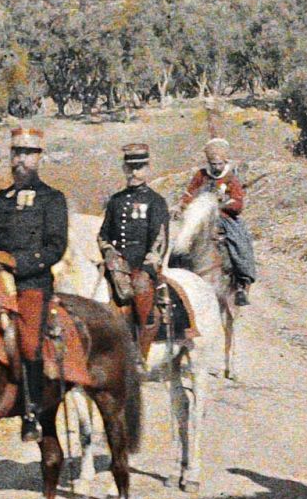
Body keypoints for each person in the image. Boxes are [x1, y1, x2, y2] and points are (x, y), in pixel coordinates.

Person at [0, 126, 72, 442]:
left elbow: (55, 248)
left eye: (28, 154)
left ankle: (31, 412)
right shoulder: (0, 199)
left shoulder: (52, 199)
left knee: (29, 341)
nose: (21, 160)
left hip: (33, 281)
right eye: (17, 152)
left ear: (39, 157)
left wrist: (17, 263)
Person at [99, 141, 169, 351]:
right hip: (117, 263)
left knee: (141, 289)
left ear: (147, 169)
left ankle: (141, 351)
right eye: (130, 167)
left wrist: (149, 268)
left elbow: (159, 239)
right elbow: (103, 234)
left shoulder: (156, 201)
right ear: (123, 168)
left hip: (142, 264)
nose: (133, 172)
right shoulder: (116, 200)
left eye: (138, 167)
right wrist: (109, 251)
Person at [183, 136, 256, 305]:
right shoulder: (200, 175)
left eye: (219, 164)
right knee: (181, 243)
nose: (216, 167)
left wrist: (221, 204)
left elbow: (238, 203)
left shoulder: (231, 178)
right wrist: (184, 205)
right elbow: (189, 194)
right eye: (213, 164)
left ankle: (240, 285)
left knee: (239, 244)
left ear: (225, 162)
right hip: (200, 217)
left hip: (223, 218)